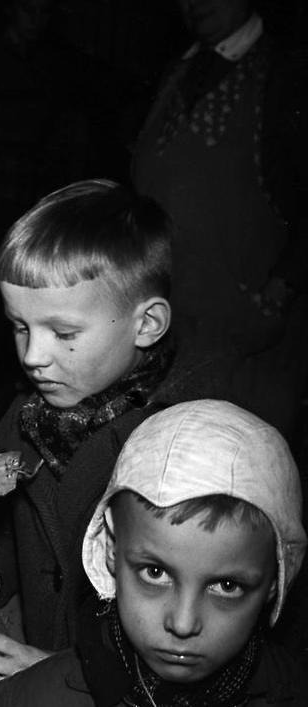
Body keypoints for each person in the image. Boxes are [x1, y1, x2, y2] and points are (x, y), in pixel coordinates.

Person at [0, 178, 188, 692]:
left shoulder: (185, 450)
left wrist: (65, 679)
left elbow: (199, 635)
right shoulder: (26, 419)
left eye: (65, 333)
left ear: (147, 324)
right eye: (19, 326)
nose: (32, 356)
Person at [0, 399, 308, 705]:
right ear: (112, 550)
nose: (183, 624)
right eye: (155, 573)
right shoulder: (34, 698)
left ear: (273, 584)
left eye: (227, 586)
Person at [131, 0, 308, 440]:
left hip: (246, 347)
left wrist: (275, 296)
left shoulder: (289, 73)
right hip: (169, 337)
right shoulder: (179, 68)